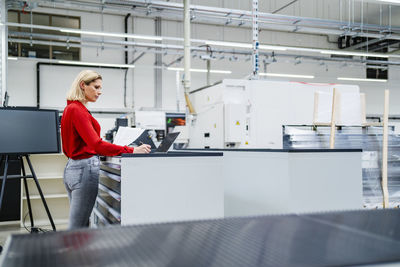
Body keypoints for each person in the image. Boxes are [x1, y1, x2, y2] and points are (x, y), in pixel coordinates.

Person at [61, 70, 150, 230]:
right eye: (96, 87)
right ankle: (73, 254)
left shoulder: (70, 108)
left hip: (72, 168)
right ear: (83, 85)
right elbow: (97, 145)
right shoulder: (77, 110)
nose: (99, 92)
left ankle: (81, 254)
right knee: (77, 227)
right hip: (84, 169)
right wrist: (132, 150)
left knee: (80, 224)